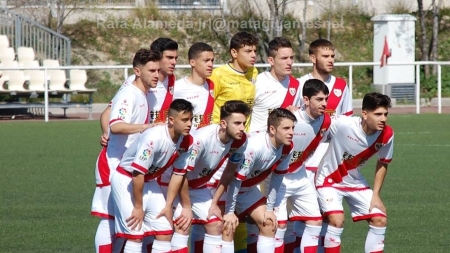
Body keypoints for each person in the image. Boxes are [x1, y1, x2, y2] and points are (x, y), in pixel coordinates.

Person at [188, 31, 259, 252]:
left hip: (240, 147)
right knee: (214, 212)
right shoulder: (218, 75)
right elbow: (209, 108)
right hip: (217, 148)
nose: (253, 55)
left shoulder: (254, 73)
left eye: (255, 51)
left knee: (234, 210)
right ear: (234, 52)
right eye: (248, 51)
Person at [91, 49, 161, 253]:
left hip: (128, 166)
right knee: (109, 219)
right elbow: (116, 126)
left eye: (157, 70)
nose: (156, 74)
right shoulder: (128, 94)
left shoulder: (144, 94)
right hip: (112, 164)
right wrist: (147, 127)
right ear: (137, 71)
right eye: (152, 70)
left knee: (125, 222)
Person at [160, 100, 251, 253]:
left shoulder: (241, 140)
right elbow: (182, 174)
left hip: (198, 186)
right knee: (182, 225)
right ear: (223, 123)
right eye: (237, 123)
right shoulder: (201, 140)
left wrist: (215, 202)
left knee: (216, 225)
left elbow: (229, 172)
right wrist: (187, 207)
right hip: (173, 183)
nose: (242, 128)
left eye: (244, 123)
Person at [110, 99, 194, 253]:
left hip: (149, 181)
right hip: (127, 179)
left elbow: (178, 174)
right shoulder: (153, 138)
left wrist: (168, 206)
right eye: (184, 120)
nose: (189, 124)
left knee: (165, 231)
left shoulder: (186, 140)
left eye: (191, 119)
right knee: (135, 235)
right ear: (171, 120)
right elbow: (137, 174)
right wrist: (138, 206)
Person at [315, 92, 394, 253]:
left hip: (354, 182)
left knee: (379, 219)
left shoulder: (387, 134)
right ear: (364, 114)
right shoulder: (344, 124)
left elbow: (383, 162)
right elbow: (317, 120)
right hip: (328, 180)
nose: (383, 119)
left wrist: (376, 194)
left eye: (385, 114)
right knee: (337, 220)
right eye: (378, 114)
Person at [210, 108, 296, 253]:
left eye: (293, 128)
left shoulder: (287, 147)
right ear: (272, 129)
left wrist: (269, 209)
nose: (291, 132)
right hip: (225, 187)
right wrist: (230, 211)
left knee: (268, 223)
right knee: (228, 227)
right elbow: (235, 181)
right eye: (286, 128)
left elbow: (277, 177)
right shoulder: (254, 147)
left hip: (246, 190)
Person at [157, 42, 216, 252]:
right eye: (206, 61)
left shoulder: (212, 86)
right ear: (192, 62)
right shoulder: (178, 88)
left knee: (202, 222)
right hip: (178, 159)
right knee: (171, 222)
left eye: (212, 61)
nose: (211, 65)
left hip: (201, 161)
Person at [296, 39, 353, 252]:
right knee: (304, 213)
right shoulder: (300, 83)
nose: (330, 60)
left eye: (332, 56)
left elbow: (346, 122)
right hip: (306, 156)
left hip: (330, 155)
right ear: (313, 58)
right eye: (325, 56)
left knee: (328, 211)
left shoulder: (340, 86)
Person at [264, 79, 331, 253]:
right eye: (319, 99)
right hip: (279, 178)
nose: (324, 103)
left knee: (315, 221)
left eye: (326, 99)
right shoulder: (291, 118)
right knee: (279, 226)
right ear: (306, 100)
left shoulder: (326, 121)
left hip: (300, 177)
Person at [100, 37, 179, 146]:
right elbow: (109, 111)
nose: (174, 62)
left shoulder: (172, 80)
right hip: (137, 143)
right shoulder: (135, 81)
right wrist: (106, 133)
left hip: (157, 142)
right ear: (158, 57)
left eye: (176, 58)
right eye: (169, 58)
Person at [249, 37, 301, 133]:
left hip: (283, 144)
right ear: (271, 61)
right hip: (258, 142)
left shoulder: (297, 85)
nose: (289, 62)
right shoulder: (257, 83)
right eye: (284, 58)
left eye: (291, 57)